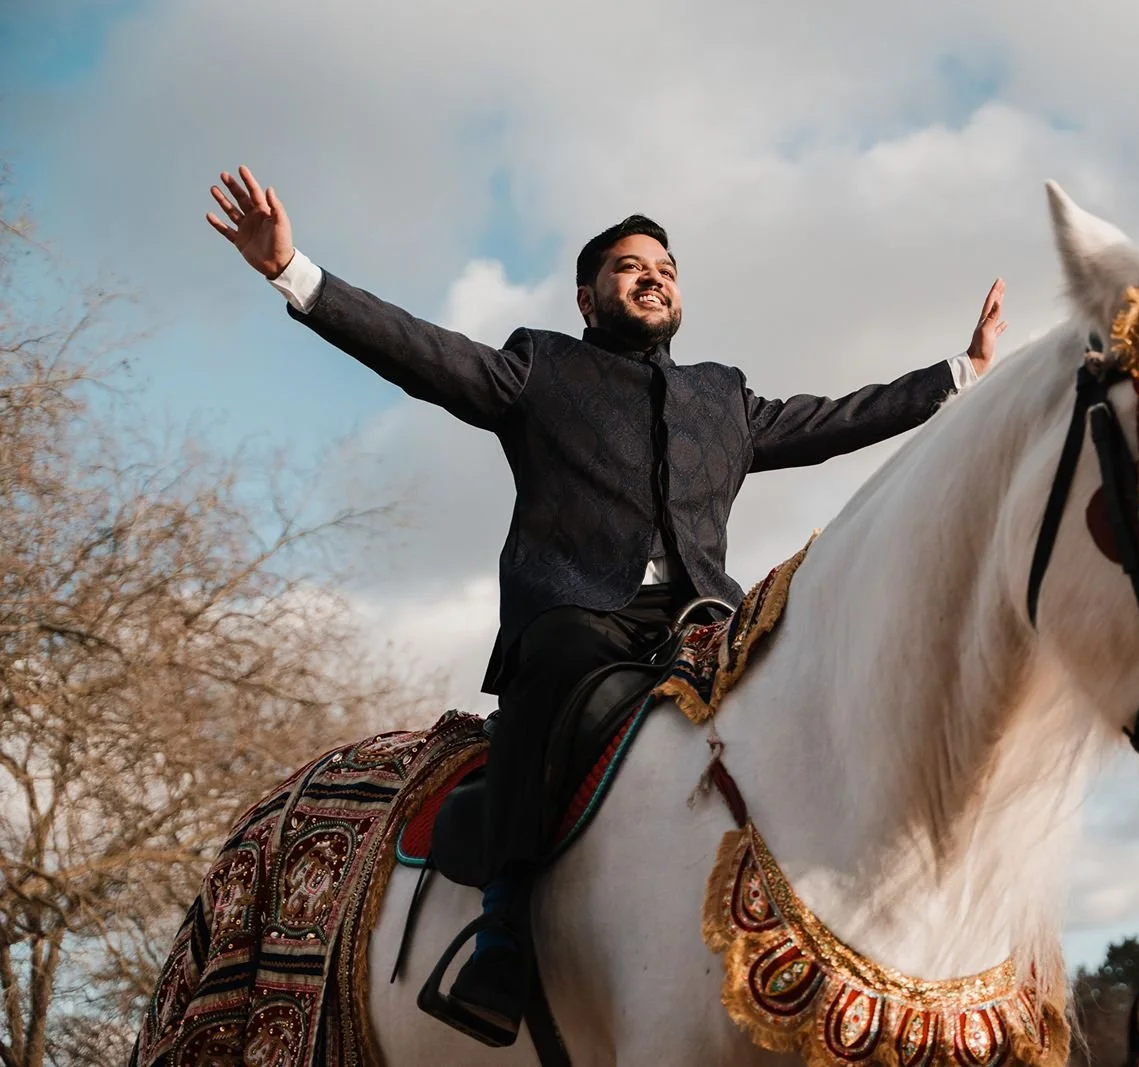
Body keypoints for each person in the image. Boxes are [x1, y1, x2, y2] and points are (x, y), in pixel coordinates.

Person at [204, 166, 1006, 1043]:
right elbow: (423, 352)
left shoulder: (724, 396)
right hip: (579, 619)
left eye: (664, 264)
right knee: (553, 661)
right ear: (589, 298)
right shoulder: (540, 367)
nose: (654, 274)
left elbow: (838, 417)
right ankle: (501, 929)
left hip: (705, 624)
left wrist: (958, 374)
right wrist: (295, 272)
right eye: (630, 265)